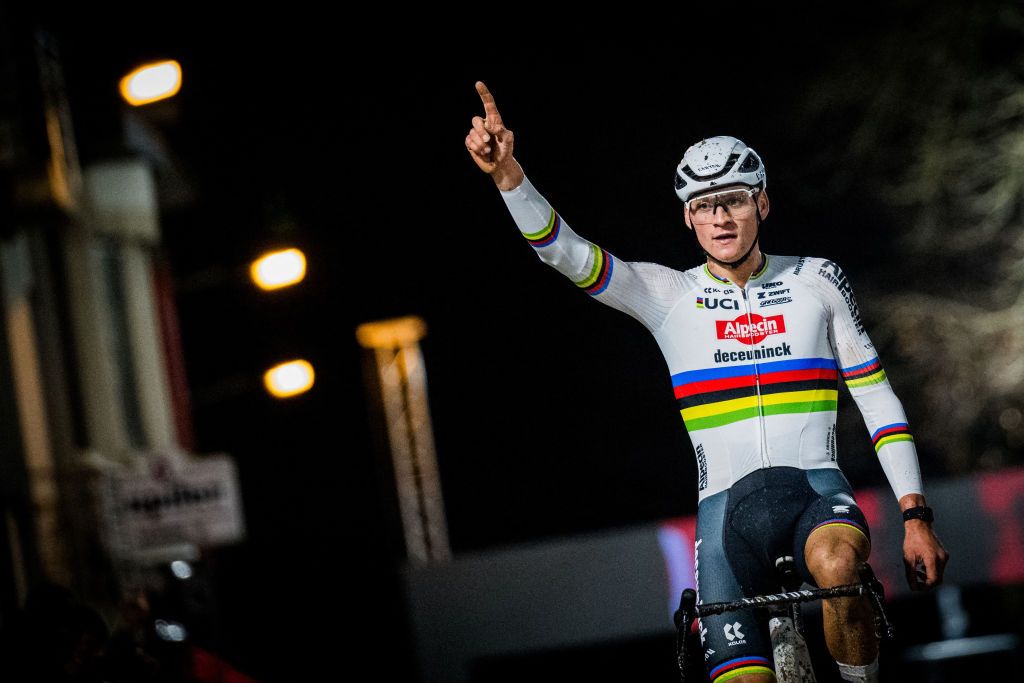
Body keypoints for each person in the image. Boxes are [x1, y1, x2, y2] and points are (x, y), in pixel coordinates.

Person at [464, 81, 949, 683]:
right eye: (705, 204)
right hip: (726, 520)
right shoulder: (669, 295)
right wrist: (508, 176)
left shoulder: (816, 280)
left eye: (735, 200)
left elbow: (874, 394)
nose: (721, 216)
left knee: (841, 569)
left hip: (816, 497)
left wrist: (916, 515)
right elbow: (564, 251)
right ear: (688, 217)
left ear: (762, 205)